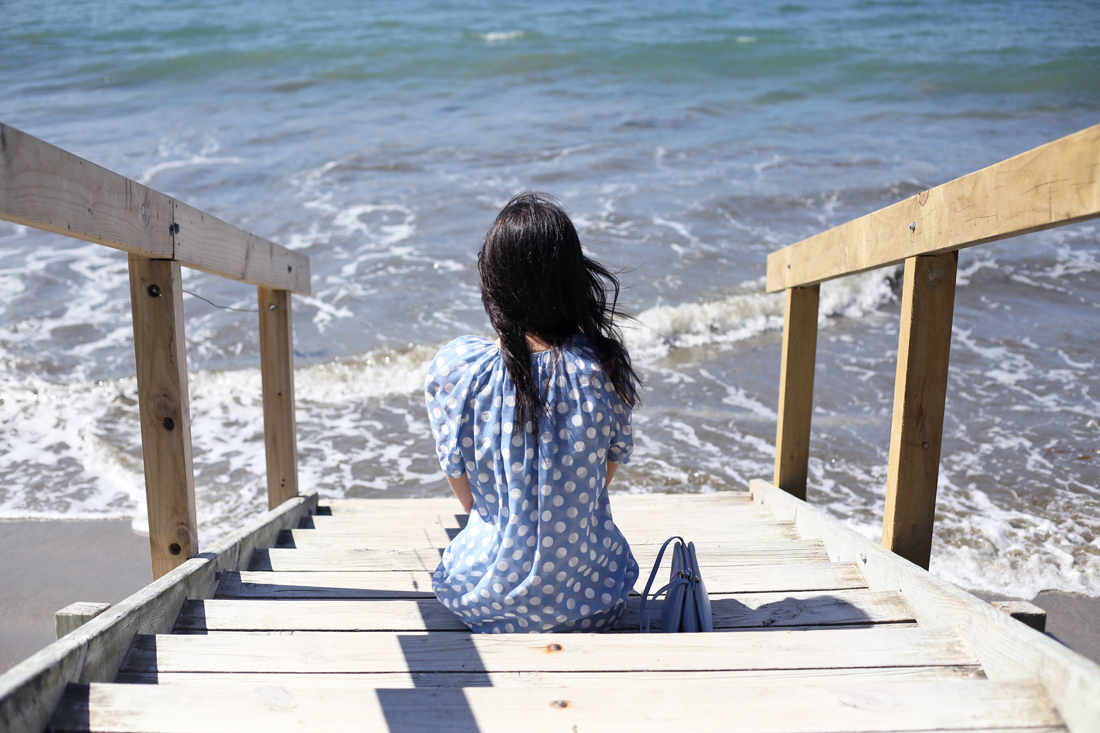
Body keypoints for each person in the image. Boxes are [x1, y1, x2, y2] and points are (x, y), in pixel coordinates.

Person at [424, 191, 642, 633]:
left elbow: (463, 490)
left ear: (493, 282)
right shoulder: (603, 365)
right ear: (573, 278)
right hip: (592, 603)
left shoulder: (460, 370)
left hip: (485, 604)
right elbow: (602, 475)